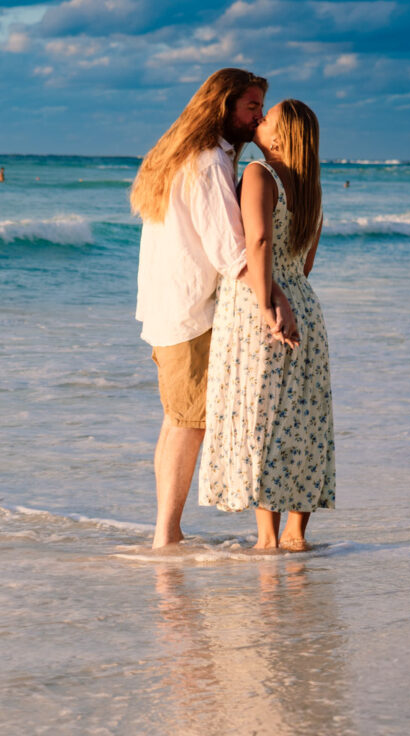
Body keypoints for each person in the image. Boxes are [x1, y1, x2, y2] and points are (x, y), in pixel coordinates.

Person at [132, 68, 295, 549]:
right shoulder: (206, 162)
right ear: (223, 107)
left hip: (170, 306)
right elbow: (229, 249)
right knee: (190, 421)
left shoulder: (193, 155)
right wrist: (274, 298)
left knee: (177, 419)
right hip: (190, 310)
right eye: (251, 108)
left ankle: (167, 529)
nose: (258, 117)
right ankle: (167, 534)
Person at [198, 100, 334, 552]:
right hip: (305, 305)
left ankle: (267, 539)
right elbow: (307, 262)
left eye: (267, 118)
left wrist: (263, 302)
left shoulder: (259, 173)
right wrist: (288, 292)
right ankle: (297, 535)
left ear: (280, 137)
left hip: (262, 304)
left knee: (263, 419)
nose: (259, 120)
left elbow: (257, 240)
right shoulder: (312, 189)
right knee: (303, 419)